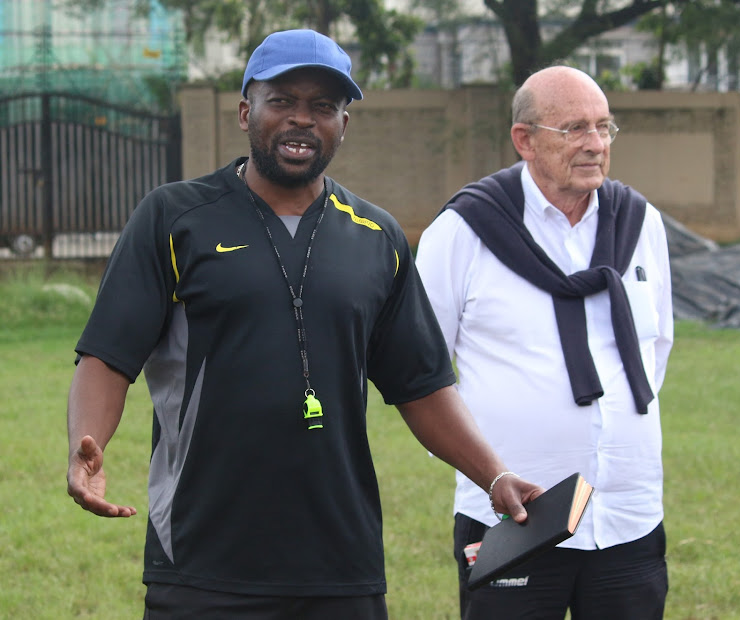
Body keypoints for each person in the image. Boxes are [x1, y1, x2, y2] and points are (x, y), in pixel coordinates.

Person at [66, 29, 543, 619]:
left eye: (323, 107)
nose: (302, 120)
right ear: (246, 112)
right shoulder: (175, 217)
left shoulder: (377, 238)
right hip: (202, 560)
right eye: (282, 101)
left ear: (345, 123)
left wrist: (494, 476)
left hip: (340, 566)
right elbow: (109, 356)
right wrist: (85, 448)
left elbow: (422, 385)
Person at [416, 65, 674, 620]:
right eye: (575, 128)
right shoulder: (465, 231)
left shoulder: (641, 223)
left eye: (605, 128)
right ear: (525, 140)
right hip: (511, 521)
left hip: (629, 516)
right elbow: (421, 371)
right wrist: (491, 470)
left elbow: (659, 347)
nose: (595, 144)